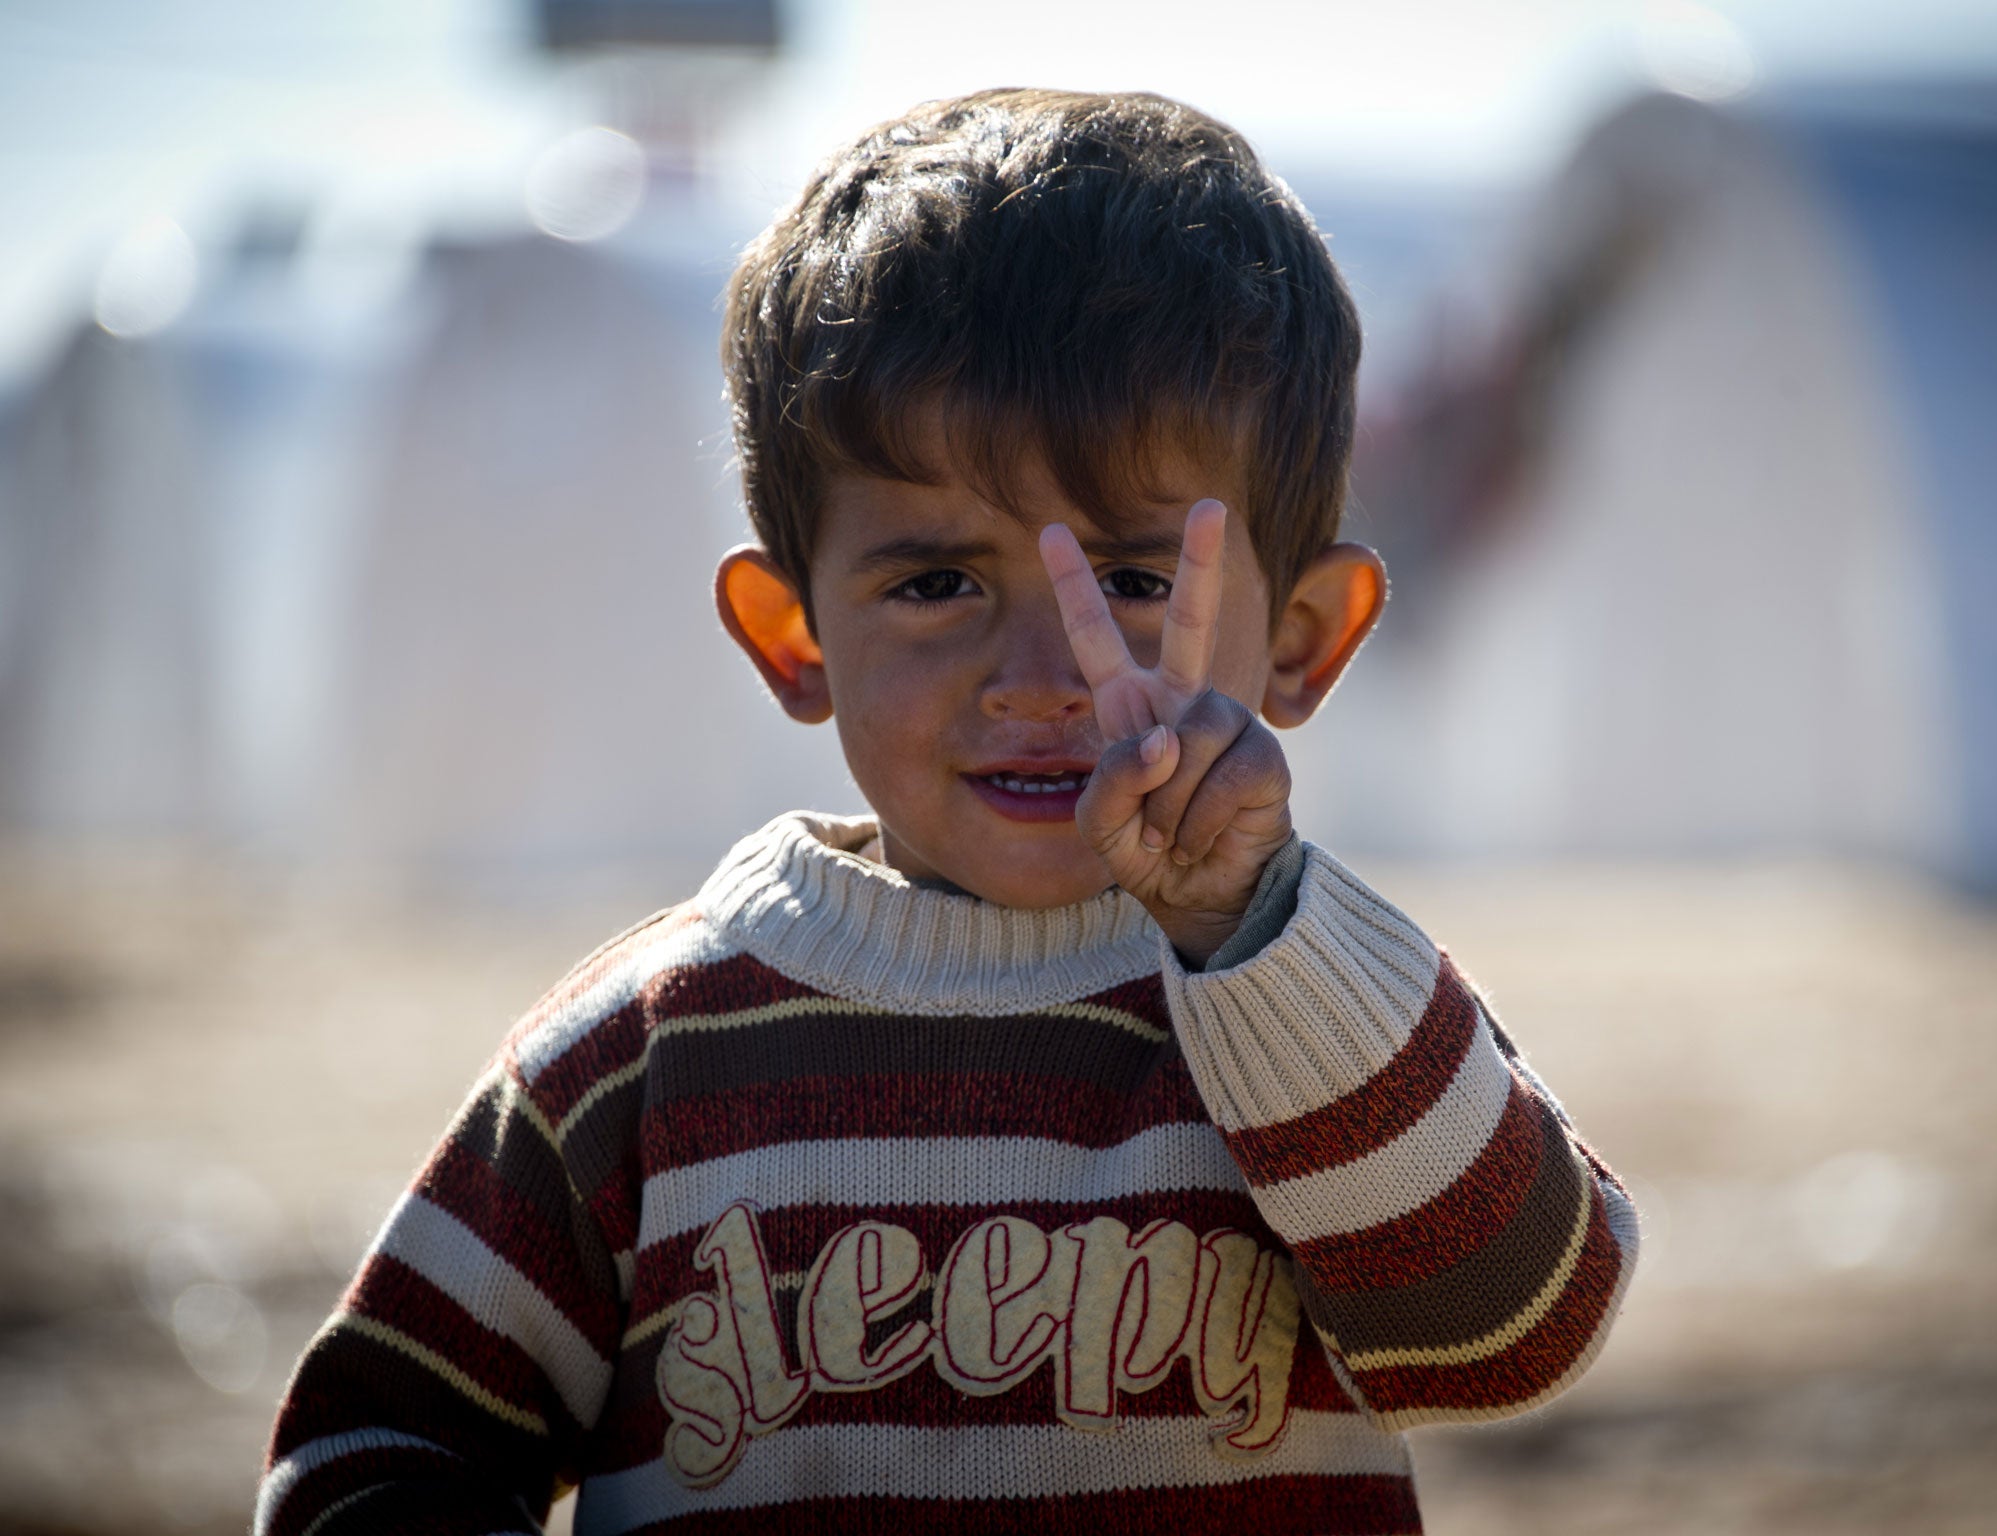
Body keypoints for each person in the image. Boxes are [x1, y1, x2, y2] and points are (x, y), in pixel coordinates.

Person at [258, 88, 1637, 1534]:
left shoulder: (1322, 1020)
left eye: (1137, 582)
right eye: (936, 584)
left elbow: (1511, 1339)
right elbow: (373, 1460)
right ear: (792, 636)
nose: (1043, 678)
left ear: (1303, 638)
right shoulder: (643, 1061)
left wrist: (1259, 937)